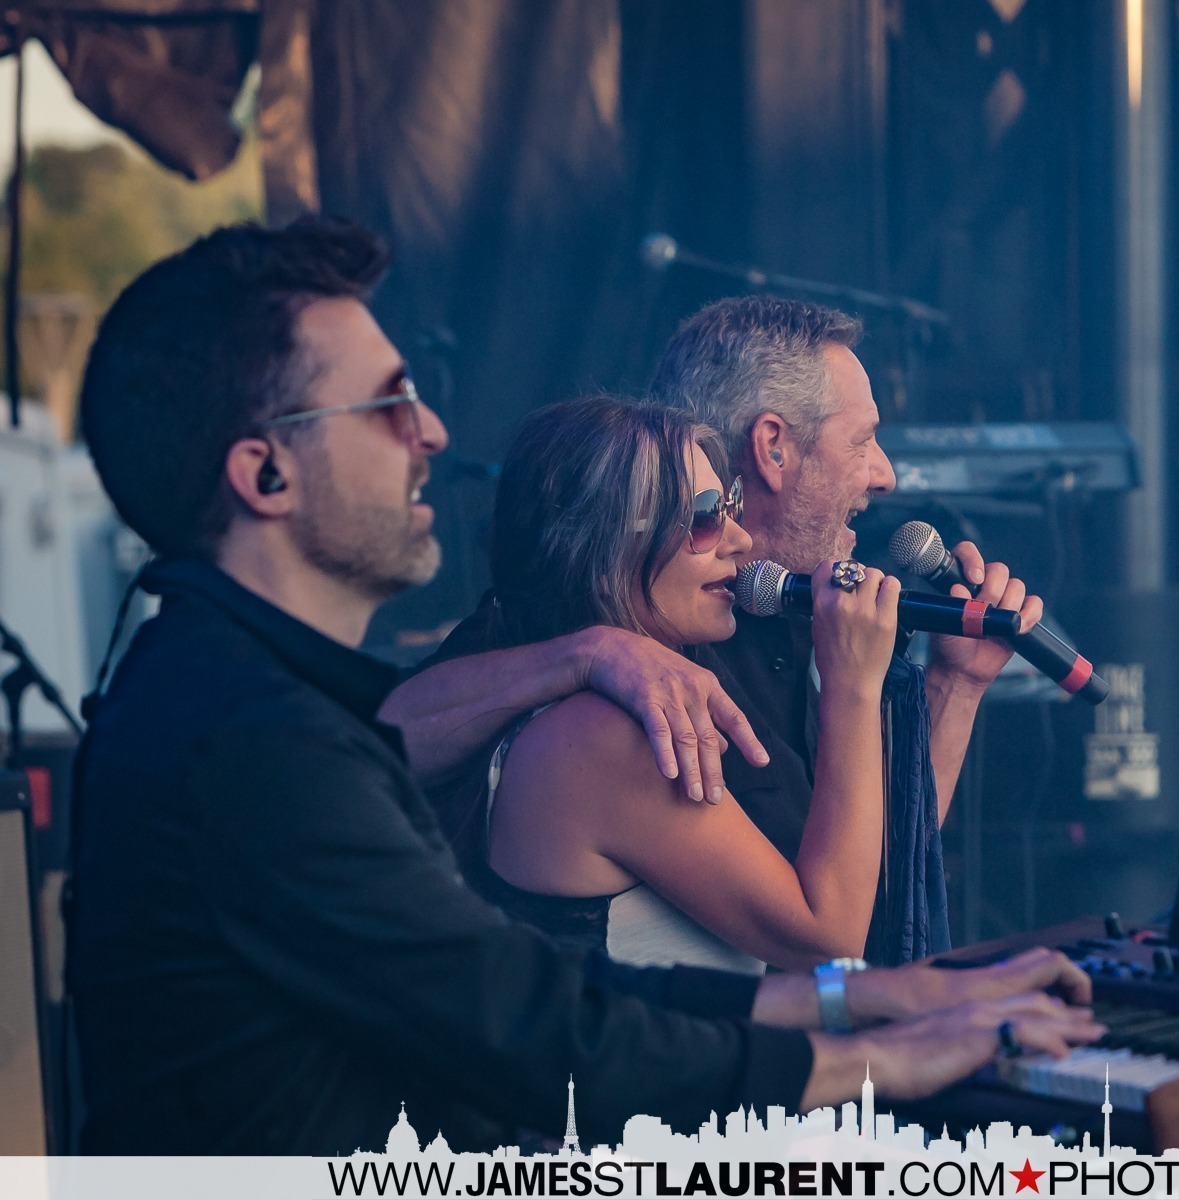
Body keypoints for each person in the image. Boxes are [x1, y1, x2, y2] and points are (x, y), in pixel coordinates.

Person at [67, 217, 1101, 1154]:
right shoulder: (254, 741)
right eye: (388, 404)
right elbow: (537, 1026)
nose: (431, 434)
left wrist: (869, 1000)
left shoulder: (241, 698)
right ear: (266, 475)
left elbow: (555, 986)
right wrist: (875, 1053)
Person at [392, 296, 1041, 965]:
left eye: (726, 507)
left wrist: (956, 686)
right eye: (861, 440)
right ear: (772, 446)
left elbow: (875, 879)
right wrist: (587, 653)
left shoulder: (786, 617)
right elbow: (381, 742)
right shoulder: (593, 698)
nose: (886, 475)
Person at [439, 394, 898, 974]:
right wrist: (853, 684)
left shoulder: (600, 706)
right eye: (704, 516)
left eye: (729, 505)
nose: (739, 539)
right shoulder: (604, 735)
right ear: (603, 548)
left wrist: (954, 685)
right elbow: (828, 938)